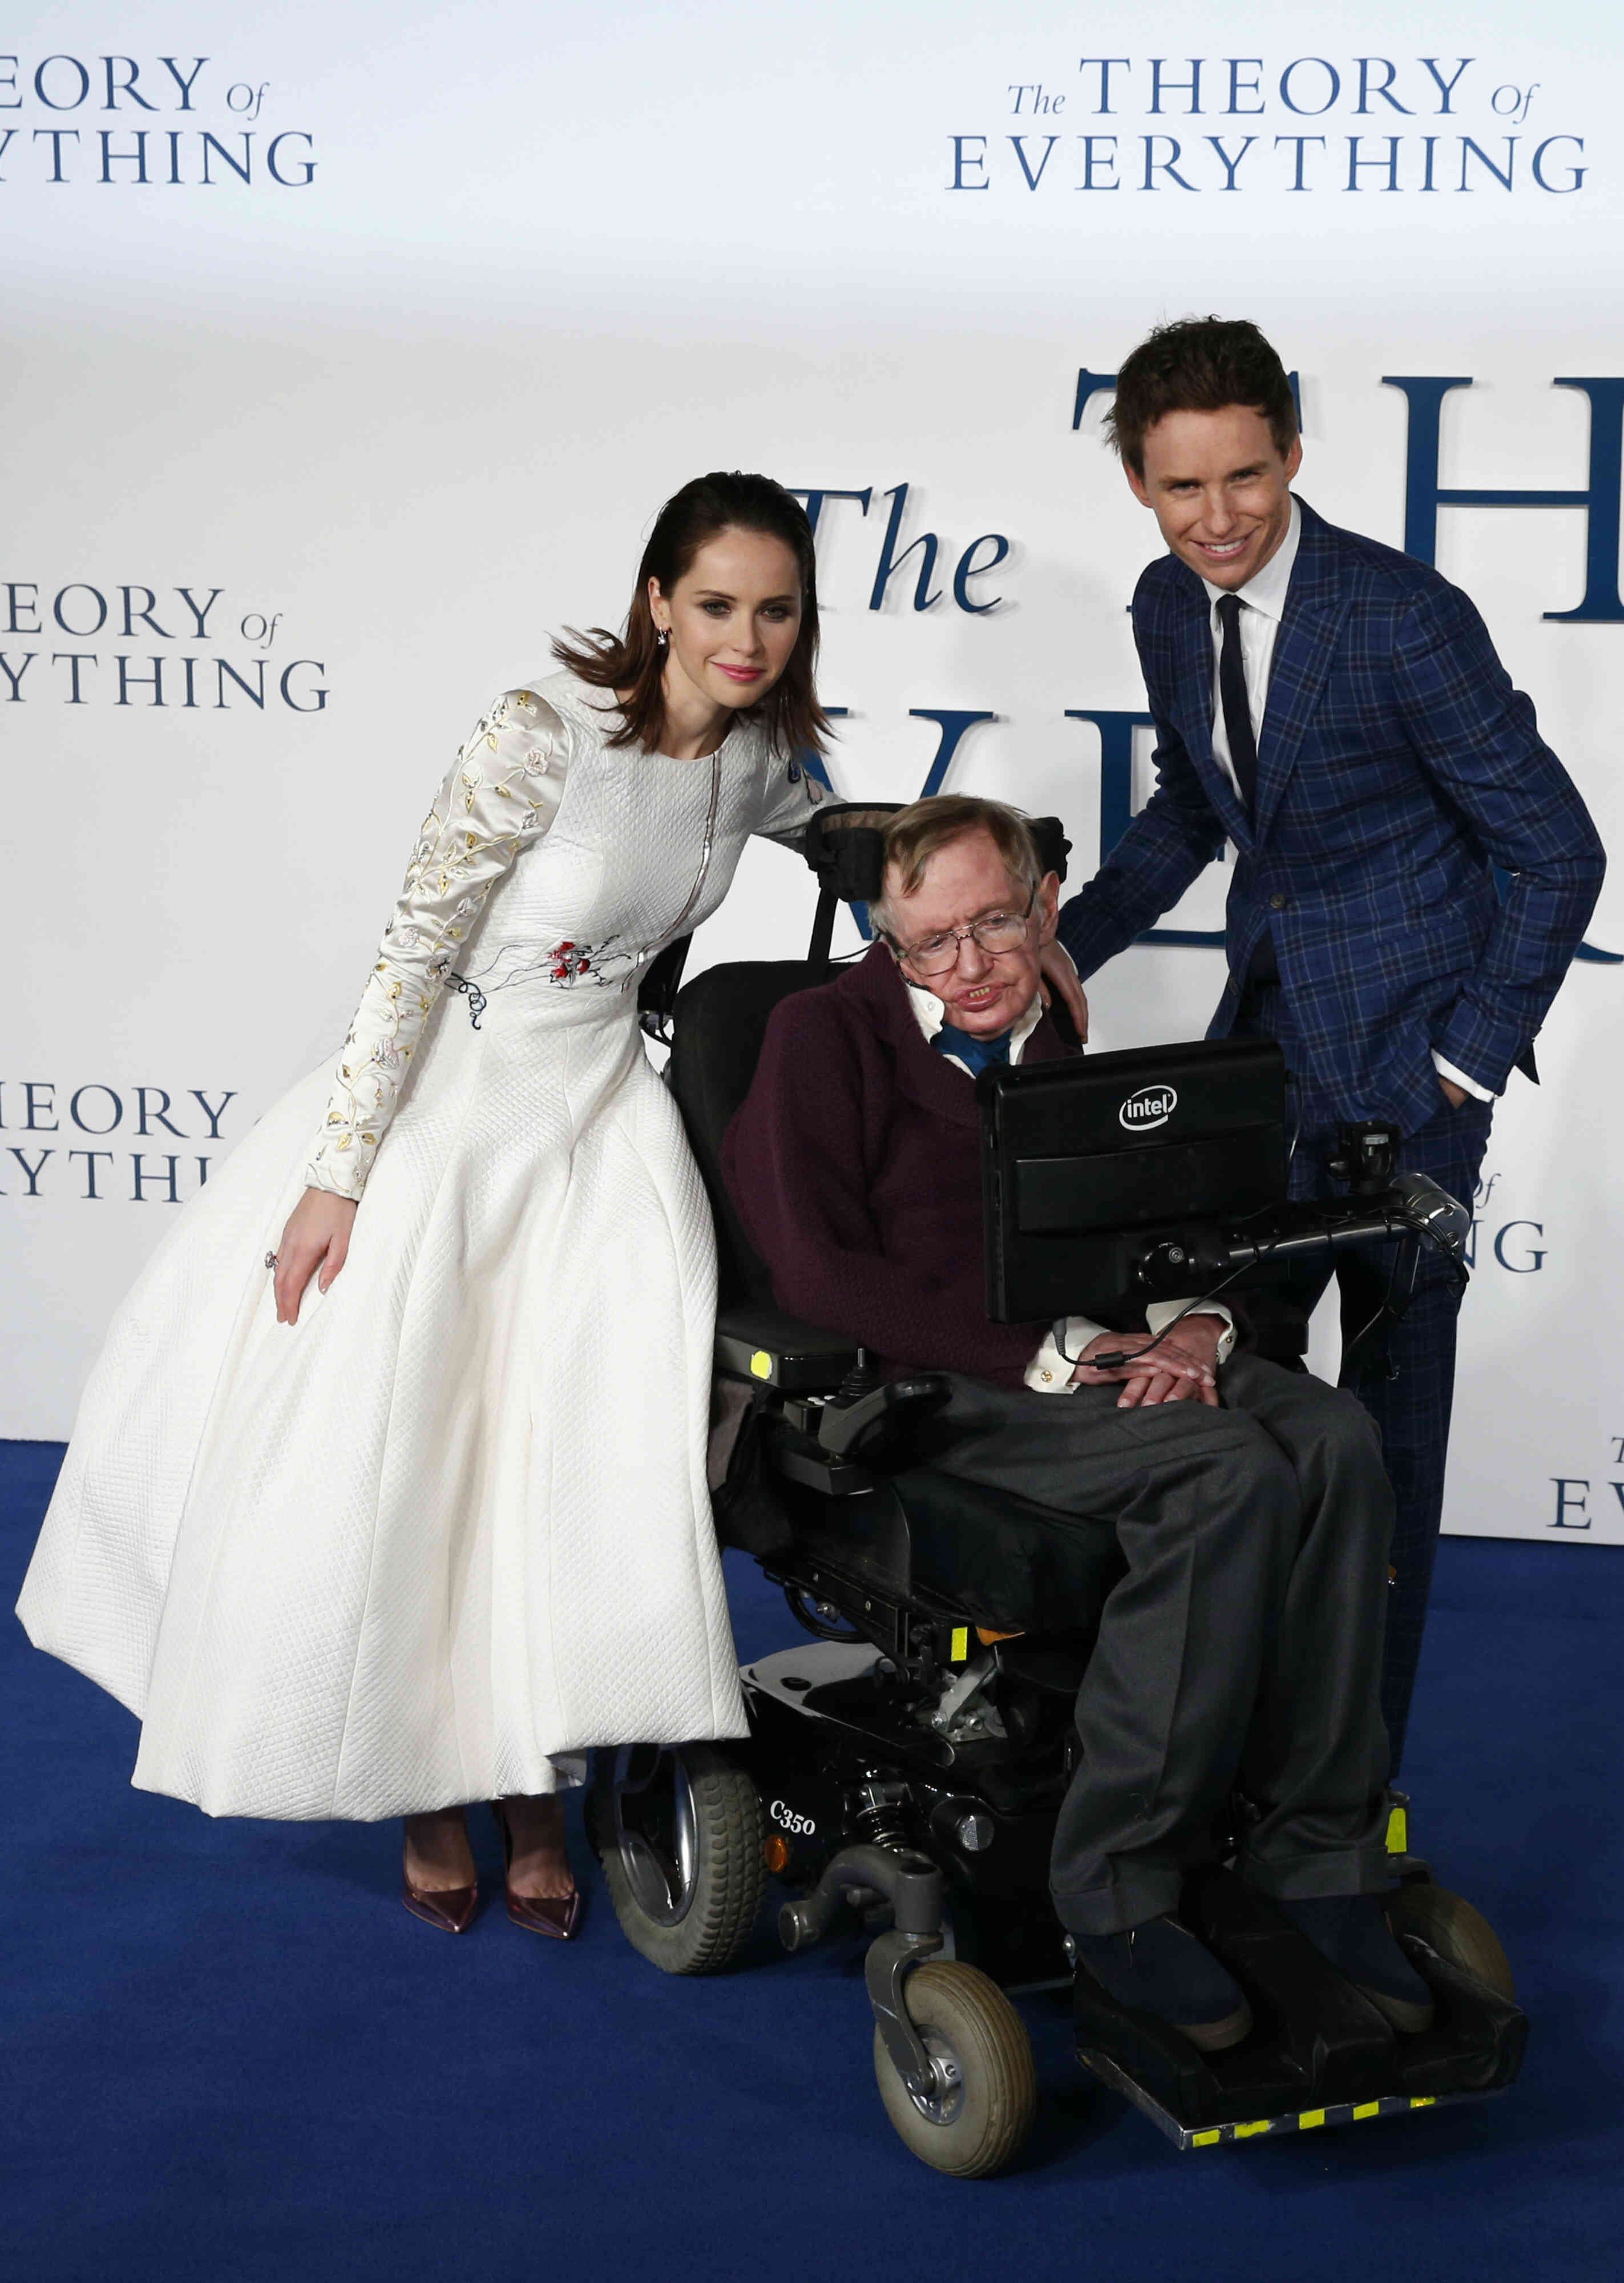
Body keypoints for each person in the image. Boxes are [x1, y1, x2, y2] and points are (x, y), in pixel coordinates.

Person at [18, 471, 836, 1938]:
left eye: (775, 609)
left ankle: (538, 1775)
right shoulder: (544, 736)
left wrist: (1013, 924)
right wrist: (344, 1173)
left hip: (599, 1134)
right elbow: (410, 948)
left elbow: (863, 845)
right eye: (716, 603)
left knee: (561, 1466)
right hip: (457, 1119)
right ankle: (431, 1791)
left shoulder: (761, 763)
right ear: (656, 598)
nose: (746, 635)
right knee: (418, 1460)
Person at [724, 794, 1433, 2051]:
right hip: (941, 1385)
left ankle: (1313, 1851)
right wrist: (1052, 1352)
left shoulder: (1055, 1032)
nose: (970, 964)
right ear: (888, 942)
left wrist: (1200, 1327)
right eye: (930, 941)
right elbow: (821, 1275)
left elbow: (1142, 1230)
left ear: (1043, 905)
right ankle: (1115, 1887)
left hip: (1096, 1346)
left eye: (994, 923)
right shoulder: (816, 1037)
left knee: (1328, 1440)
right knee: (1221, 1474)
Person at [1058, 317, 1606, 1764]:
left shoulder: (1399, 615)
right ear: (1138, 485)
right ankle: (1238, 1741)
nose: (1219, 517)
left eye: (1245, 476)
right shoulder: (1166, 608)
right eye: (1183, 488)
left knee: (1387, 1434)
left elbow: (1557, 849)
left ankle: (1355, 1778)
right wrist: (1068, 945)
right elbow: (1193, 809)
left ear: (1293, 455)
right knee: (1243, 1397)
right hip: (1265, 1060)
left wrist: (1464, 1062)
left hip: (1411, 1078)